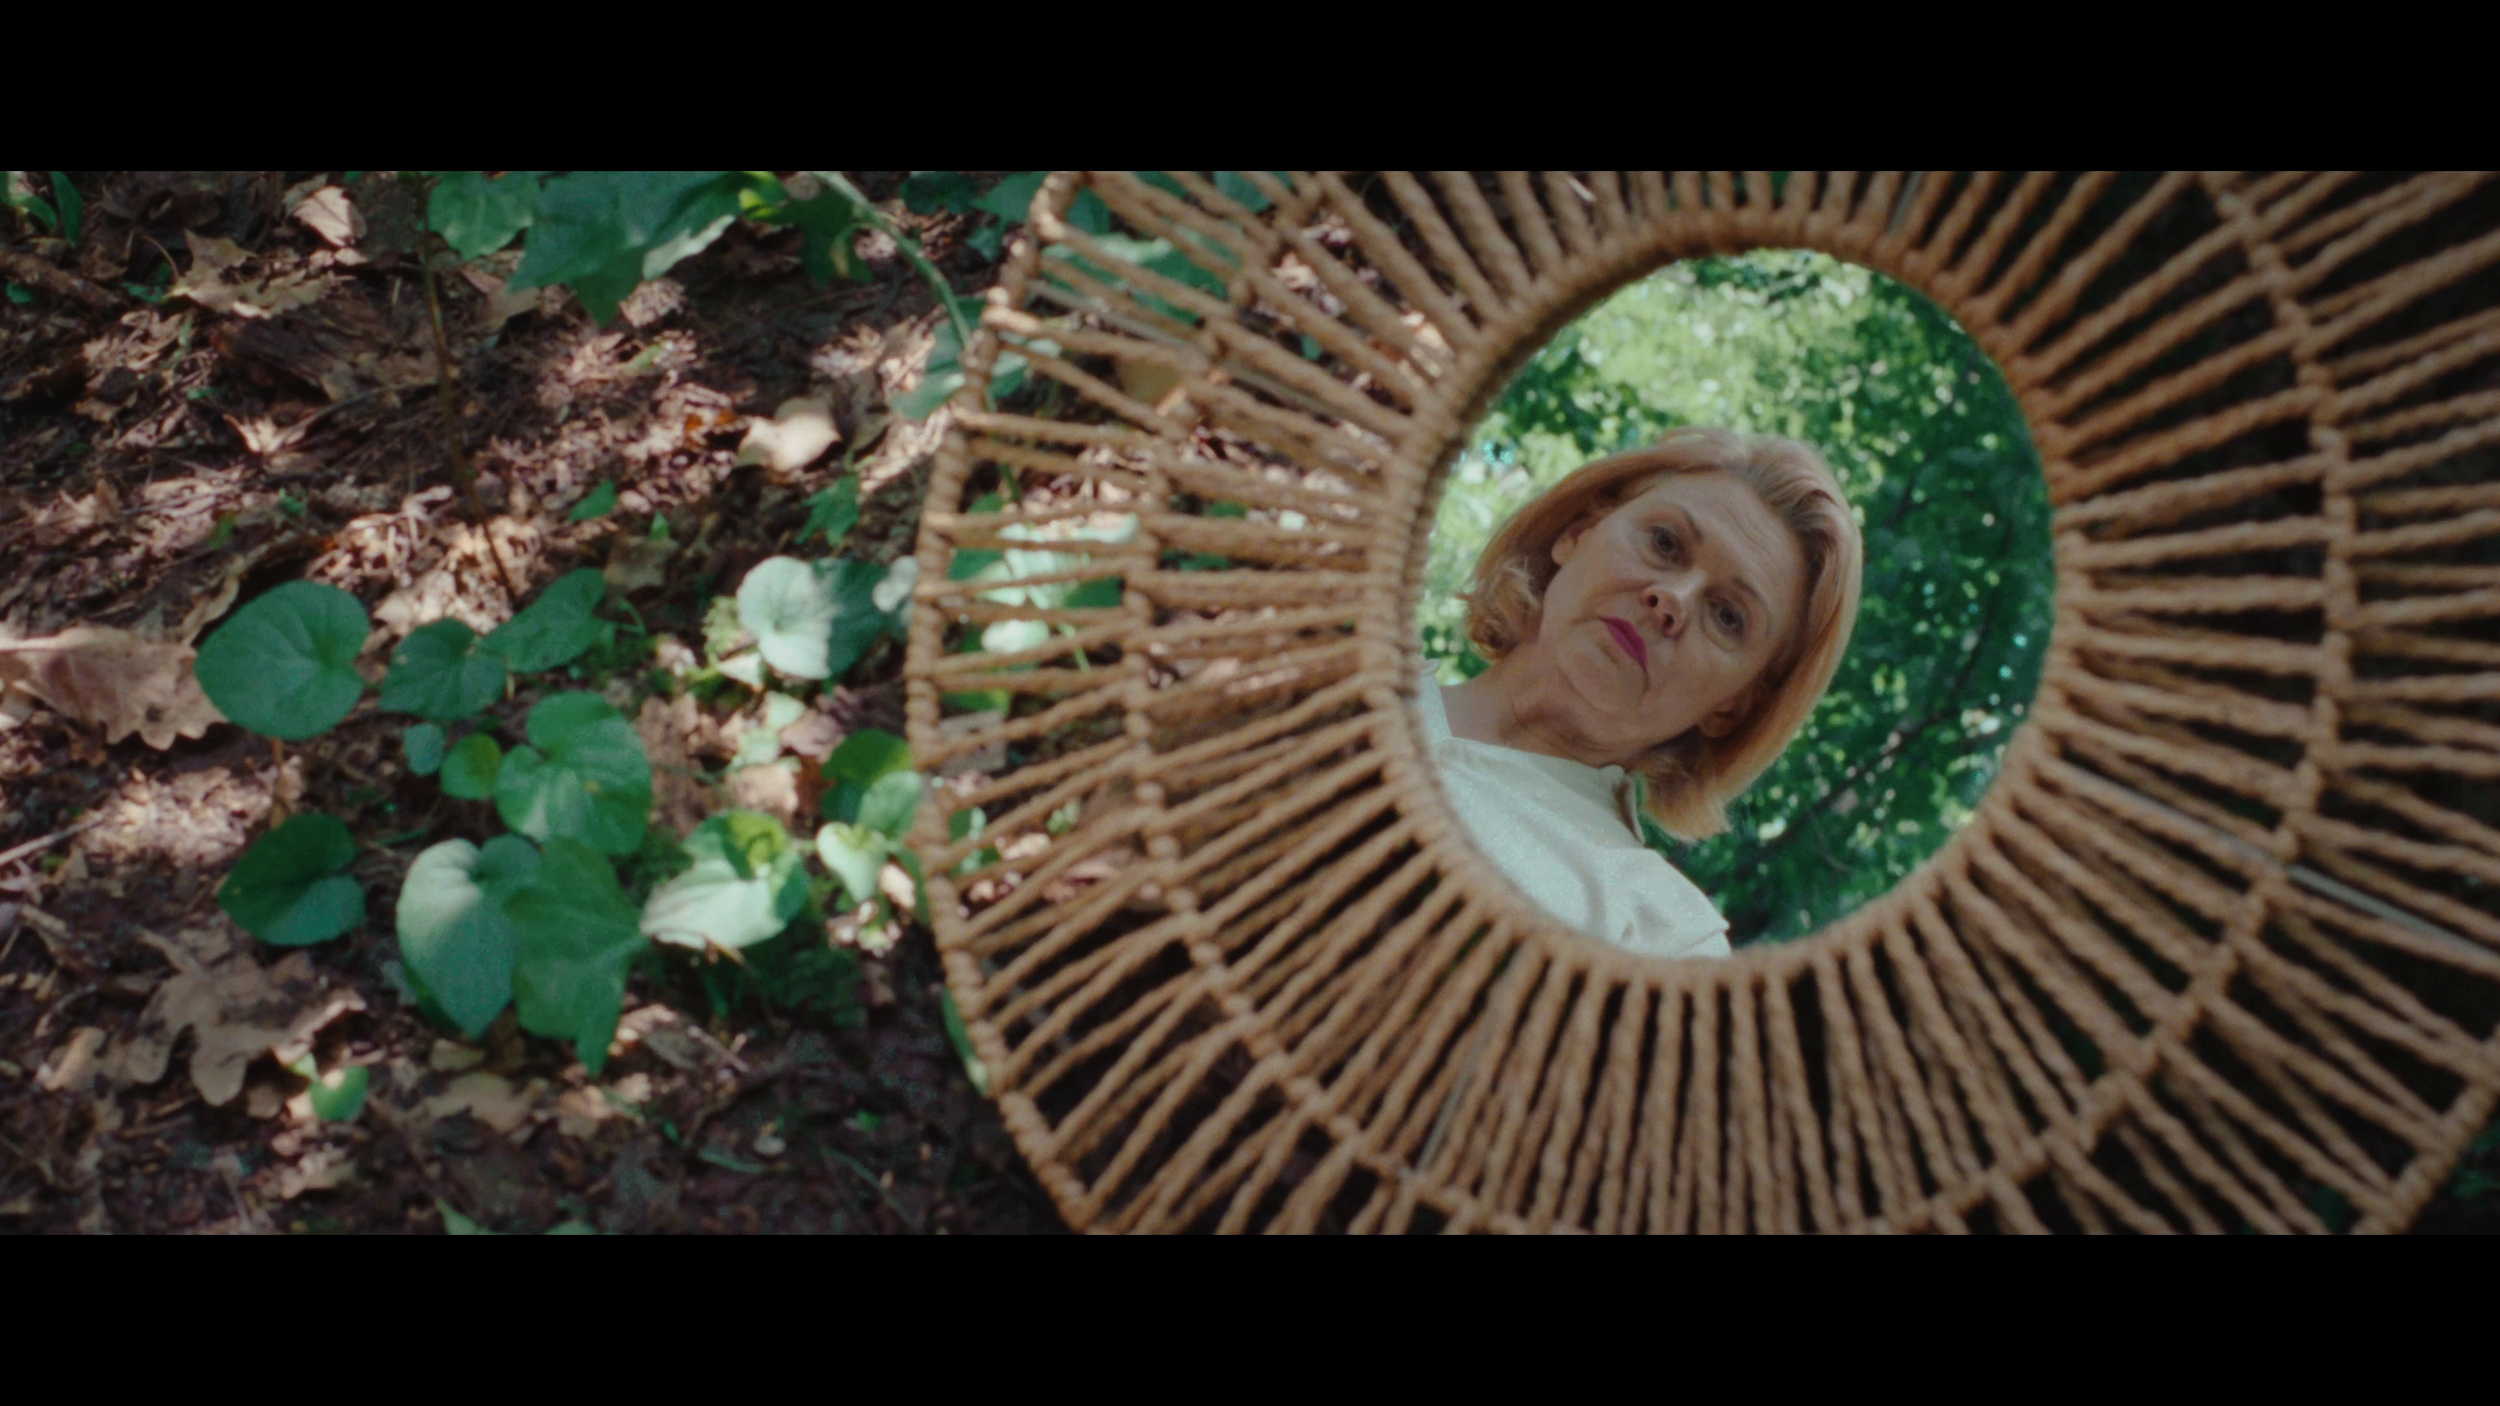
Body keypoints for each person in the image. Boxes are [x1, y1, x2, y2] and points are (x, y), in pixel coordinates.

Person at [1418, 427, 1864, 959]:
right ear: (1578, 531)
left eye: (1727, 616)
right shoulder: (1338, 676)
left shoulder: (1665, 939)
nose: (1672, 599)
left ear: (1736, 704)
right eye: (1665, 543)